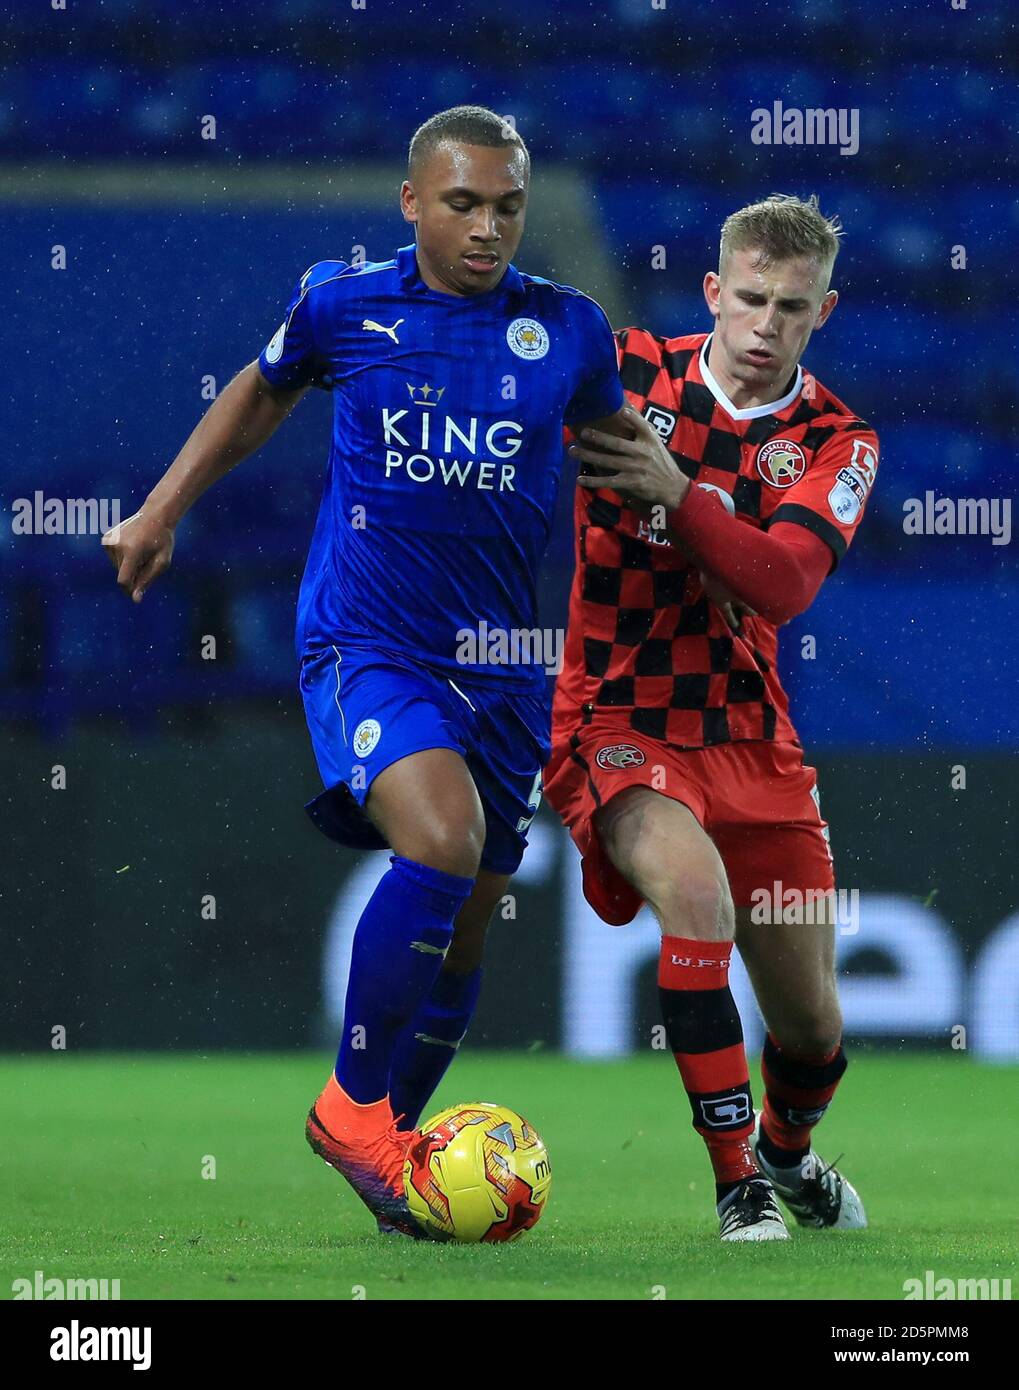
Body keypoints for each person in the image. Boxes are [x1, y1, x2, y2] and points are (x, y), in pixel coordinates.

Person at [102, 105, 629, 1238]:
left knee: (473, 918)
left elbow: (618, 455)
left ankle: (401, 1159)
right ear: (410, 202)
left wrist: (686, 516)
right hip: (366, 640)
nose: (486, 228)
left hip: (503, 669)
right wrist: (159, 509)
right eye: (461, 203)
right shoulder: (344, 305)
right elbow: (260, 391)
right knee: (437, 841)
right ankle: (350, 1112)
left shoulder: (571, 332)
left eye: (505, 206)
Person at [546, 194, 878, 1241]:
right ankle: (737, 1183)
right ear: (711, 294)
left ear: (821, 312)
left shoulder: (836, 437)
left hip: (747, 732)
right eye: (748, 299)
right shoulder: (624, 370)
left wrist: (674, 491)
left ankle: (786, 1151)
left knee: (813, 1027)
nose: (765, 323)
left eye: (790, 305)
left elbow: (781, 583)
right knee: (695, 902)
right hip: (617, 712)